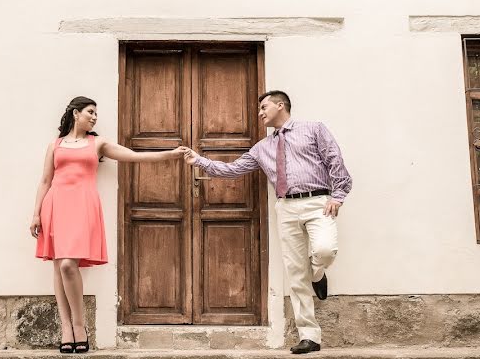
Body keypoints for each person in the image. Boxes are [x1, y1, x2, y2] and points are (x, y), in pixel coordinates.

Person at [184, 90, 352, 354]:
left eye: (264, 107)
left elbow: (334, 160)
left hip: (318, 201)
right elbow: (233, 169)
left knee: (324, 250)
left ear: (280, 105)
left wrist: (338, 196)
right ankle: (310, 336)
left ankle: (318, 272)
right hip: (285, 207)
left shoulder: (313, 129)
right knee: (296, 274)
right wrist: (199, 161)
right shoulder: (262, 148)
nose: (260, 112)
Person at [31, 96, 186, 354]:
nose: (94, 117)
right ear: (75, 113)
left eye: (96, 114)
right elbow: (45, 181)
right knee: (59, 266)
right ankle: (66, 328)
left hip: (82, 205)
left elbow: (133, 156)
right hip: (55, 204)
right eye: (90, 112)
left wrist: (169, 154)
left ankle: (79, 326)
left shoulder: (98, 143)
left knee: (68, 264)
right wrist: (36, 213)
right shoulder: (55, 145)